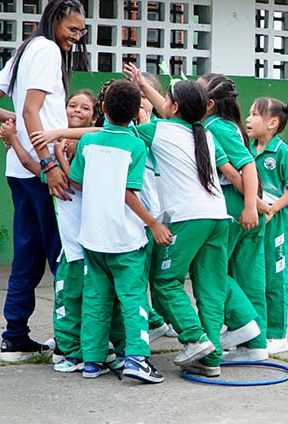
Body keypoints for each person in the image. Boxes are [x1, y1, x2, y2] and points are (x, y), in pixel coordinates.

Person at [0, 0, 89, 362]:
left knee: (27, 257)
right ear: (55, 19)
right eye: (72, 28)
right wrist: (48, 163)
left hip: (18, 170)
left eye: (81, 32)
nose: (76, 37)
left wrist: (20, 130)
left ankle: (15, 338)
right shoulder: (48, 52)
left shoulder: (24, 52)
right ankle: (69, 343)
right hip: (42, 170)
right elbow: (31, 108)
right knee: (64, 256)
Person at [131, 79, 237, 378]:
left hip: (187, 218)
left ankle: (194, 337)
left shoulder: (159, 131)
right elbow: (169, 106)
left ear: (174, 107)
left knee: (165, 279)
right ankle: (211, 359)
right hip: (218, 216)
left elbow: (109, 133)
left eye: (166, 97)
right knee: (211, 290)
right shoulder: (203, 135)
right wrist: (141, 81)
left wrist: (58, 133)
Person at [68, 80, 168, 383]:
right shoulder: (136, 145)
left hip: (93, 236)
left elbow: (77, 182)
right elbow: (129, 192)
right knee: (132, 297)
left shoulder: (88, 142)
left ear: (103, 109)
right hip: (125, 239)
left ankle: (92, 361)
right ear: (137, 112)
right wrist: (153, 222)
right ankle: (137, 357)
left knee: (96, 299)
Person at [1, 89, 97, 373]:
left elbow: (59, 175)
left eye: (84, 108)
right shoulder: (54, 136)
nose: (75, 111)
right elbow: (36, 166)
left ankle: (63, 340)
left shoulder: (86, 143)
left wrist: (45, 146)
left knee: (54, 270)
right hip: (40, 190)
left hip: (63, 216)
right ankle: (65, 341)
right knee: (55, 269)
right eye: (71, 106)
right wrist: (17, 140)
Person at [197, 73, 265, 361]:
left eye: (197, 90)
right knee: (218, 270)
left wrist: (251, 205)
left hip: (229, 204)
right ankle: (253, 341)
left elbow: (244, 168)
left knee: (212, 272)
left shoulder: (217, 127)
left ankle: (246, 326)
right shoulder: (217, 124)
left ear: (210, 103)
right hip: (231, 202)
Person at [247, 97, 288, 354]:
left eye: (254, 115)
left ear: (272, 123)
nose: (248, 119)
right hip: (254, 221)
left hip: (276, 222)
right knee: (255, 277)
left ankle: (277, 335)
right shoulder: (247, 149)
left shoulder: (283, 153)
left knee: (275, 277)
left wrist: (273, 209)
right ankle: (256, 331)